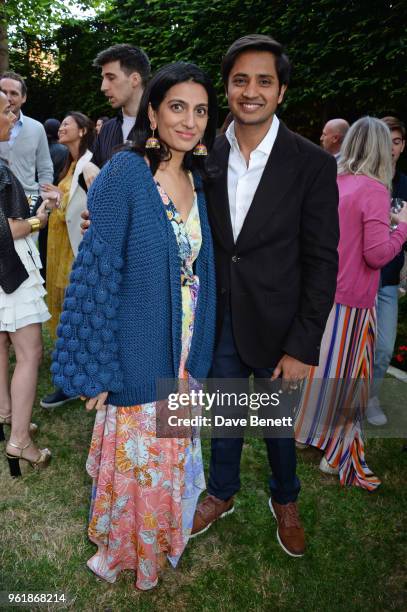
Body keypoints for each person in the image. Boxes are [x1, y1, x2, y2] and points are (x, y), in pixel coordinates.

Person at [51, 62, 218, 590]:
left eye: (200, 111)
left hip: (187, 345)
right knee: (143, 455)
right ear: (152, 110)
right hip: (138, 343)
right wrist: (95, 365)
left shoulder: (199, 179)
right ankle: (129, 548)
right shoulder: (127, 173)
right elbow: (95, 274)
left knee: (173, 449)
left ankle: (165, 535)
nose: (189, 121)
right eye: (177, 107)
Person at [190, 35, 340, 559]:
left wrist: (303, 345)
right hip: (220, 316)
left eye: (264, 81)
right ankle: (221, 492)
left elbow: (323, 260)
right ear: (226, 87)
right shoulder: (201, 153)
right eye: (239, 80)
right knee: (226, 414)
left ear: (281, 92)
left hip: (281, 323)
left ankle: (286, 500)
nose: (250, 91)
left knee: (277, 425)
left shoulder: (312, 164)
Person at [295, 117, 407, 490]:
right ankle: (335, 453)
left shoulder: (332, 181)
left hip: (320, 293)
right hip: (353, 300)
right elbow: (376, 255)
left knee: (318, 372)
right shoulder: (374, 189)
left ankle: (303, 433)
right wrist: (403, 227)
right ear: (379, 148)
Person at [0, 90, 52, 477]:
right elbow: (4, 230)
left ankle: (8, 414)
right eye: (6, 110)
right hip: (10, 271)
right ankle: (19, 441)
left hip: (7, 270)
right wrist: (38, 221)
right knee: (30, 352)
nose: (13, 116)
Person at [40, 112, 95, 409]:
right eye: (60, 123)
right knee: (68, 316)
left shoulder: (89, 166)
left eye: (67, 124)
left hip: (76, 252)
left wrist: (59, 201)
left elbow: (97, 207)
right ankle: (72, 378)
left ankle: (74, 381)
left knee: (76, 318)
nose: (61, 127)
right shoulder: (71, 163)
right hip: (61, 249)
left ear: (83, 130)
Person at [367, 116, 407, 425]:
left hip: (388, 281)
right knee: (348, 351)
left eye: (396, 141)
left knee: (382, 349)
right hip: (357, 279)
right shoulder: (363, 179)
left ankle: (371, 398)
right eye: (386, 140)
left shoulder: (405, 184)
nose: (391, 148)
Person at [82, 44, 151, 187]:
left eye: (111, 77)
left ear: (135, 79)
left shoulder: (164, 126)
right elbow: (93, 178)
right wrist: (87, 167)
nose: (103, 87)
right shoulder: (107, 129)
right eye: (103, 78)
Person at [0, 71, 53, 212]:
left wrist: (43, 200)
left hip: (28, 199)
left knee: (27, 232)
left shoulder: (37, 128)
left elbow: (45, 168)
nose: (8, 97)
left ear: (24, 98)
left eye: (14, 93)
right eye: (3, 92)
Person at [39, 119, 69, 278]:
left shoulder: (41, 149)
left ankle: (42, 272)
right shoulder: (64, 150)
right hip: (58, 197)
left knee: (42, 238)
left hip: (41, 195)